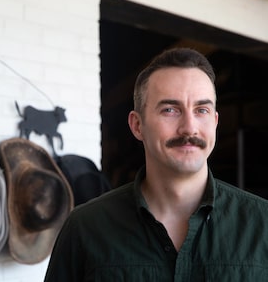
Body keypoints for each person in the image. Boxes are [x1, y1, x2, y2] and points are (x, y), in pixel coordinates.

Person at [44, 47, 268, 281]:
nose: (189, 127)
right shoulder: (84, 228)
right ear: (137, 125)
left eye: (201, 110)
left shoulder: (263, 225)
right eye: (170, 110)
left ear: (215, 121)